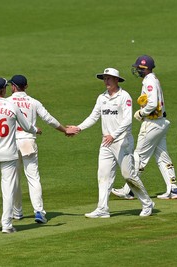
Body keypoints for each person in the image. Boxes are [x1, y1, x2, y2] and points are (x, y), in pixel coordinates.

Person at [66, 67, 154, 218]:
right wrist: (78, 128)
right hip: (106, 142)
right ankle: (102, 209)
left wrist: (113, 135)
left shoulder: (124, 96)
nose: (106, 81)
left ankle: (147, 203)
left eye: (108, 78)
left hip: (122, 141)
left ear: (116, 80)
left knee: (128, 175)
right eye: (104, 78)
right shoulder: (102, 97)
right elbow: (94, 116)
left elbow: (127, 120)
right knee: (103, 175)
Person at [0, 77, 41, 233]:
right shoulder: (11, 106)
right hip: (9, 154)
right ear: (4, 90)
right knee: (8, 188)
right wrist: (35, 130)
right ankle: (7, 225)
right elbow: (25, 126)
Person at [111, 55, 177, 200]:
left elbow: (153, 103)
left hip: (152, 124)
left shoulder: (149, 81)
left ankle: (129, 190)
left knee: (139, 156)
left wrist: (142, 113)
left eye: (139, 68)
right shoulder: (153, 79)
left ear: (145, 68)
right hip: (161, 123)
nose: (137, 70)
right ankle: (173, 189)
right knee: (162, 157)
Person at [7, 74, 67, 224]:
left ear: (13, 87)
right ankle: (39, 211)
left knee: (14, 178)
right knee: (33, 177)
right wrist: (64, 130)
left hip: (12, 143)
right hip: (28, 141)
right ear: (26, 87)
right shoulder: (34, 102)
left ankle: (17, 212)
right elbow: (49, 118)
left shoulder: (7, 102)